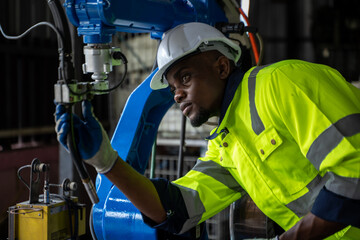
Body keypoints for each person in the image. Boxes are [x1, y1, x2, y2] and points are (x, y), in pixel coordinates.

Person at [55, 22, 360, 239]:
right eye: (173, 87)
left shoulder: (284, 85)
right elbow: (176, 209)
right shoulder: (227, 144)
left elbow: (354, 175)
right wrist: (105, 161)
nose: (176, 95)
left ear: (222, 67)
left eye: (185, 77)